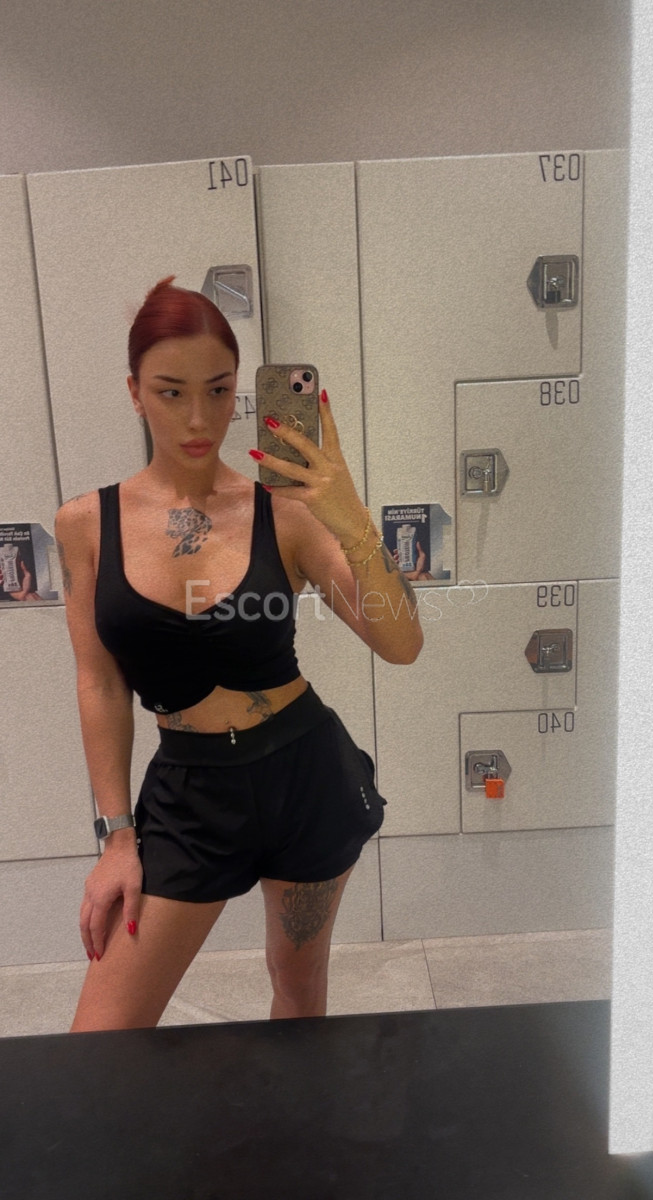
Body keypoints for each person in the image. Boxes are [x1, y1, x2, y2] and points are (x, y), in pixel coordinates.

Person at [55, 276, 423, 1032]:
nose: (198, 418)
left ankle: (300, 1115)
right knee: (100, 1041)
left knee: (298, 993)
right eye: (171, 392)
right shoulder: (86, 524)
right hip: (188, 796)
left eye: (219, 391)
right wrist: (117, 838)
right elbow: (100, 684)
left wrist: (349, 516)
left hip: (306, 778)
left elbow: (401, 643)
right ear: (134, 392)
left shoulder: (285, 514)